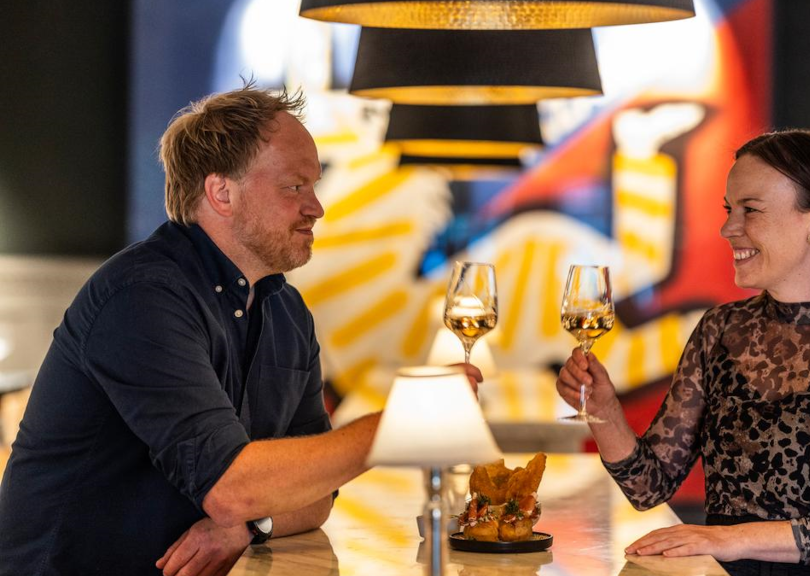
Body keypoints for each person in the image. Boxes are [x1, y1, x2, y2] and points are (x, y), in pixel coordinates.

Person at [0, 83, 481, 576]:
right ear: (222, 193)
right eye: (294, 187)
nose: (317, 207)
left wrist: (252, 524)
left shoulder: (286, 310)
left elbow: (316, 496)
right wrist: (409, 418)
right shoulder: (142, 296)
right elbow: (233, 488)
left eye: (313, 186)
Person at [556, 129, 810, 576]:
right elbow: (648, 486)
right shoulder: (720, 330)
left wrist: (730, 538)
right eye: (729, 210)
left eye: (750, 210)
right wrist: (604, 411)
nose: (728, 228)